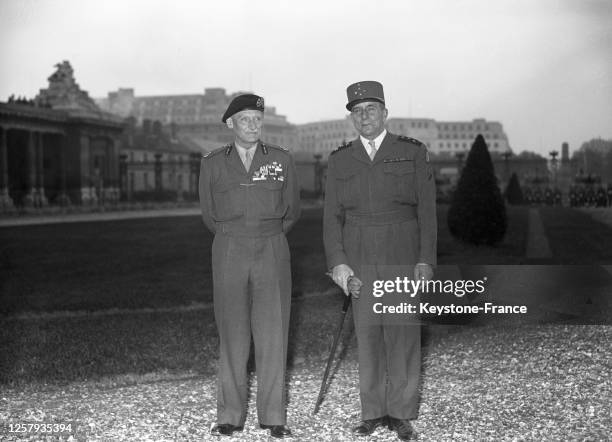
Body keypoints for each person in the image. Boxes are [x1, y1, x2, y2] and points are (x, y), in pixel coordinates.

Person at [323, 81, 437, 441]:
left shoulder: (412, 152)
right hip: (358, 254)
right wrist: (338, 262)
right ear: (351, 118)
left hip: (402, 250)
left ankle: (401, 413)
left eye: (371, 108)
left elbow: (428, 213)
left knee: (403, 334)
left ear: (385, 113)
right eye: (356, 111)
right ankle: (372, 411)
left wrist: (425, 260)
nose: (364, 116)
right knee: (368, 334)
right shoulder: (340, 159)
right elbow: (331, 218)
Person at [199, 93, 300, 439]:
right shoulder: (212, 163)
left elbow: (292, 211)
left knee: (273, 333)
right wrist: (236, 237)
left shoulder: (282, 159)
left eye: (258, 119)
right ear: (231, 124)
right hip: (228, 247)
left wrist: (265, 236)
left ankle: (274, 417)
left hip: (272, 245)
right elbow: (209, 214)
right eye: (245, 119)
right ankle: (229, 415)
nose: (253, 125)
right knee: (232, 334)